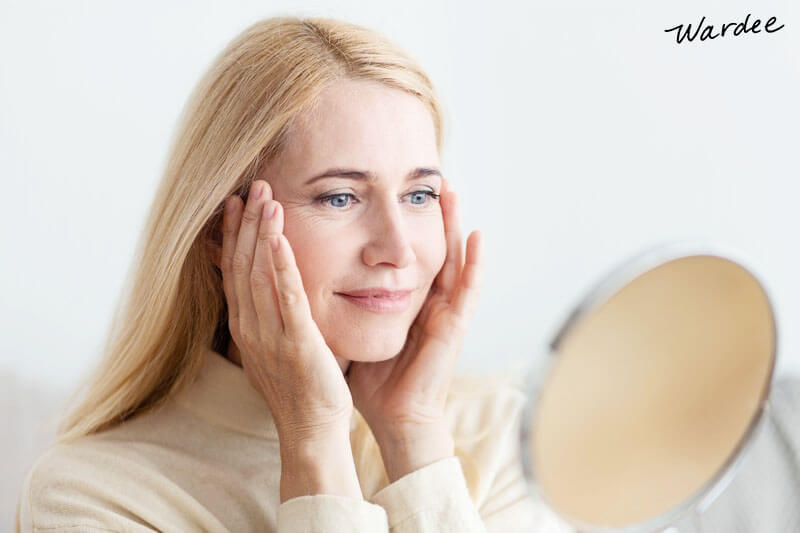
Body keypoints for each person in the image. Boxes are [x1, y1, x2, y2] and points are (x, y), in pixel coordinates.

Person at [15, 16, 573, 532]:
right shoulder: (91, 494)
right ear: (218, 233)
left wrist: (412, 435)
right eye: (339, 198)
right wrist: (313, 443)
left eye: (419, 194)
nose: (398, 249)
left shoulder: (499, 436)